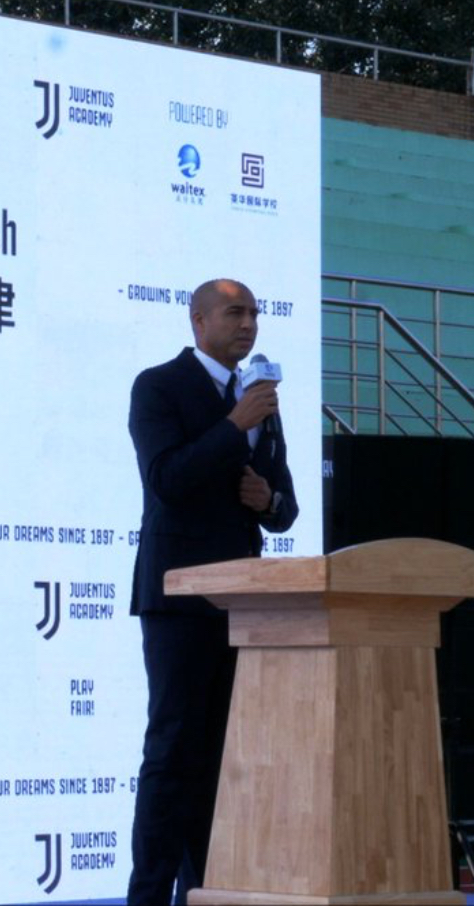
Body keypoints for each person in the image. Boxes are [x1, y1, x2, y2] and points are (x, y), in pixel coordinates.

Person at [125, 278, 299, 905]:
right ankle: (148, 895)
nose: (248, 324)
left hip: (242, 606)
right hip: (177, 601)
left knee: (225, 759)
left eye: (254, 313)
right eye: (234, 312)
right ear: (198, 321)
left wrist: (268, 499)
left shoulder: (258, 399)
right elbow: (166, 479)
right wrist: (233, 425)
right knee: (173, 753)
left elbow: (285, 507)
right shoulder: (158, 386)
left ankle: (204, 891)